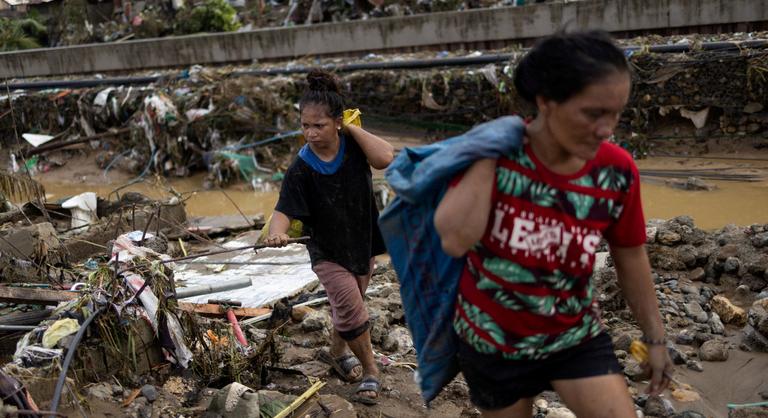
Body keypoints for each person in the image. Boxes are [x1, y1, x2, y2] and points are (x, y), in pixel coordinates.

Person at [433, 31, 674, 418]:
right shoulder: (497, 159)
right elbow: (455, 240)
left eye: (616, 113)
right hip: (493, 340)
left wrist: (656, 338)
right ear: (546, 101)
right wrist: (488, 153)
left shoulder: (616, 171)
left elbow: (630, 255)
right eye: (593, 113)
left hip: (573, 334)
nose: (607, 128)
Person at [265, 70, 394, 405]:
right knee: (351, 308)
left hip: (362, 242)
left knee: (351, 304)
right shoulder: (302, 167)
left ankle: (336, 354)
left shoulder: (354, 144)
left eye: (318, 125)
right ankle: (370, 372)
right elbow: (283, 211)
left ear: (337, 122)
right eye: (305, 125)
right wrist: (277, 234)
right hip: (326, 250)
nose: (310, 133)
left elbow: (385, 158)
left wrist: (351, 128)